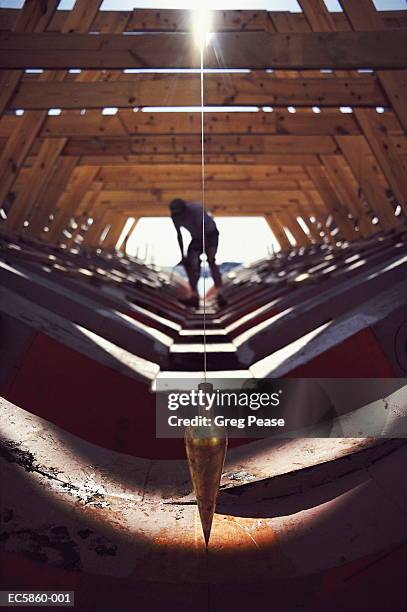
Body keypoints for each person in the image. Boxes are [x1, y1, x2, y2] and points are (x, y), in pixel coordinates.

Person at [169, 198, 226, 308]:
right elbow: (179, 235)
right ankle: (194, 296)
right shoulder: (175, 216)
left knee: (211, 261)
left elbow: (202, 229)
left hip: (210, 234)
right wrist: (183, 256)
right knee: (190, 264)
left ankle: (220, 293)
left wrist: (206, 250)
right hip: (196, 237)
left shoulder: (196, 209)